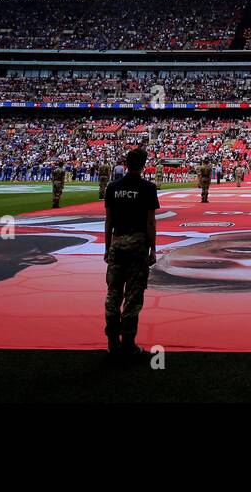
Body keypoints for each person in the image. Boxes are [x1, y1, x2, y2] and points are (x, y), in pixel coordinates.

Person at [103, 147, 159, 361]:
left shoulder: (112, 187)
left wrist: (107, 247)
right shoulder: (148, 188)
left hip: (117, 243)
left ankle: (111, 343)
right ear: (144, 164)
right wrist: (153, 249)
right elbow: (150, 222)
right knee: (133, 296)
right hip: (138, 246)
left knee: (113, 293)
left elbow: (108, 221)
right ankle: (128, 343)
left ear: (126, 162)